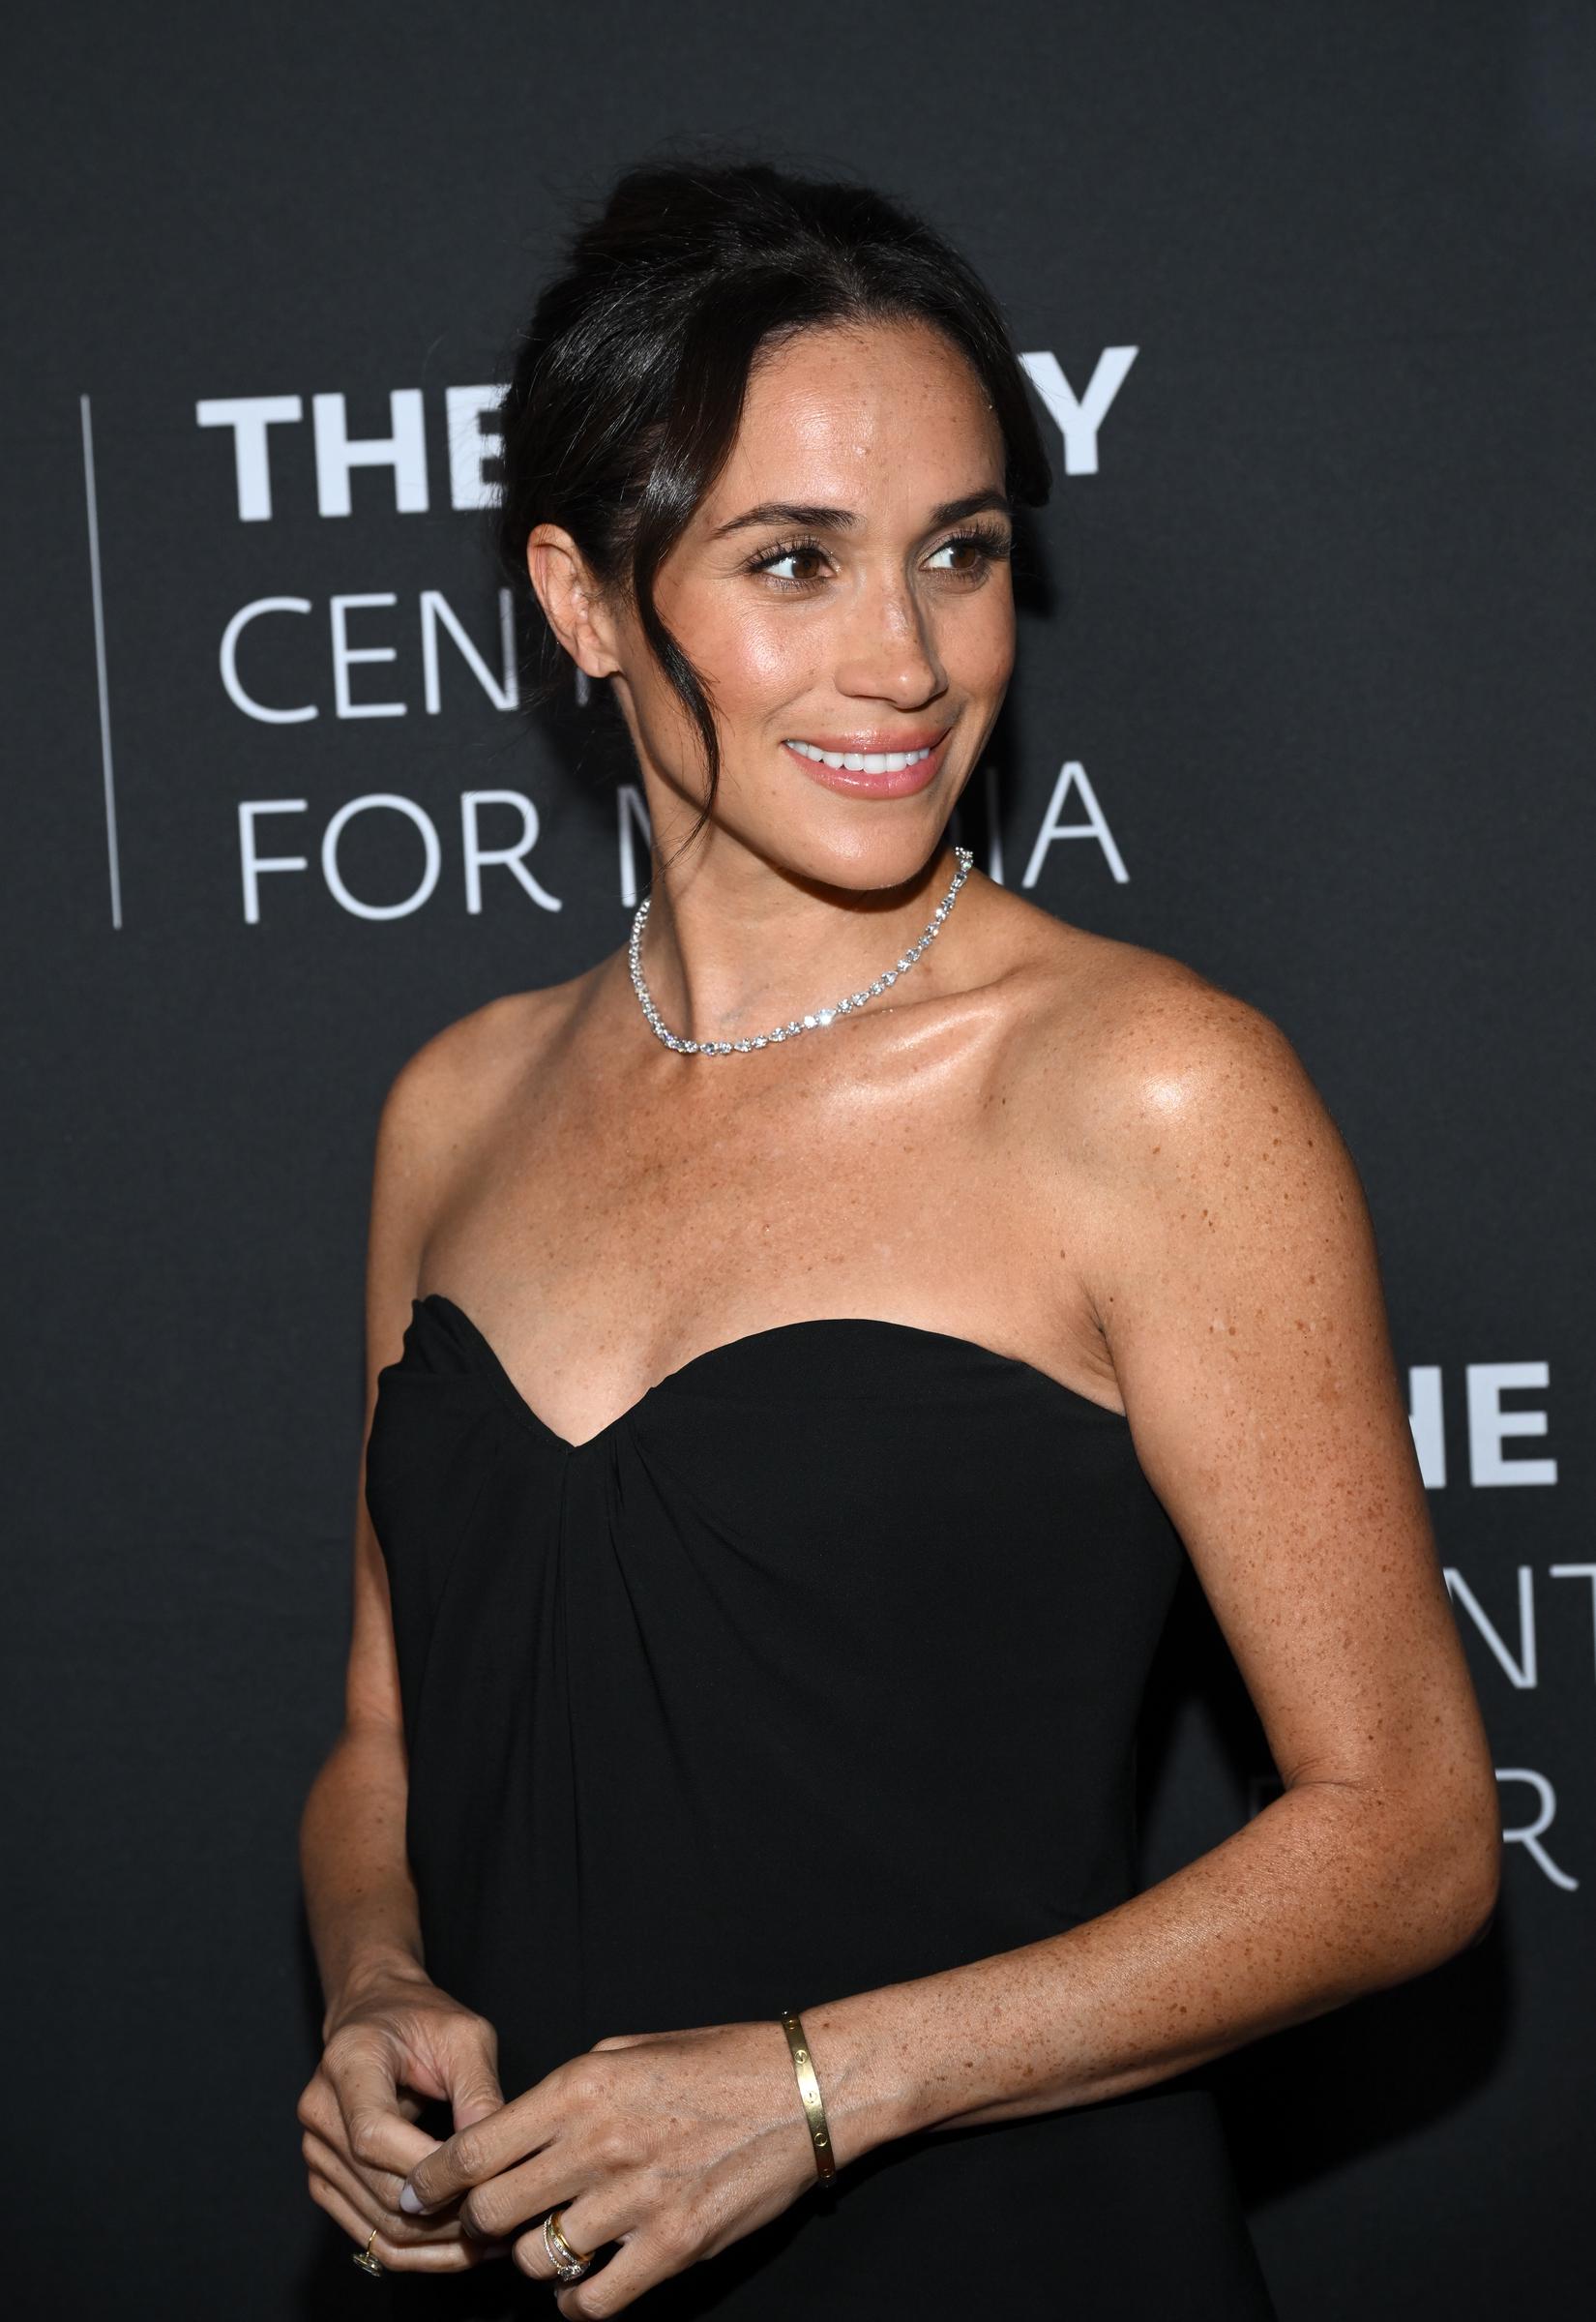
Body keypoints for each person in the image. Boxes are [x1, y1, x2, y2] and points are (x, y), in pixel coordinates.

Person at [295, 156, 1501, 2318]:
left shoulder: (1144, 1090)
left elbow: (1404, 1836)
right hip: (520, 2261)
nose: (911, 660)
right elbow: (386, 1744)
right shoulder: (451, 1108)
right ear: (581, 600)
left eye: (960, 551)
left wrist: (813, 2088)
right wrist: (375, 1980)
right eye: (795, 560)